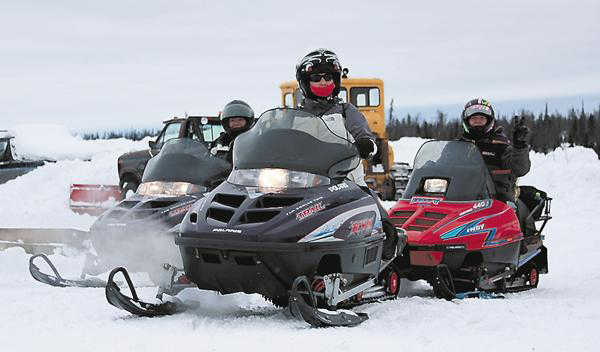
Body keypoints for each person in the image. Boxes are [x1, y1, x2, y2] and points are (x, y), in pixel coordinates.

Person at [295, 48, 398, 259]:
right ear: (306, 82)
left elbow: (364, 133)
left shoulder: (346, 111)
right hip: (304, 182)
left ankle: (387, 252)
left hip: (346, 181)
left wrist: (366, 145)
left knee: (378, 215)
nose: (323, 82)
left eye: (328, 77)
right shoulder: (295, 115)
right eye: (316, 78)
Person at [460, 98, 534, 234]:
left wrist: (520, 146)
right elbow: (442, 164)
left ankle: (513, 247)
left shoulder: (500, 145)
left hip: (496, 198)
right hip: (461, 196)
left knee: (508, 218)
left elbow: (520, 168)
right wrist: (428, 167)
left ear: (489, 121)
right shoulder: (458, 145)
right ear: (467, 121)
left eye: (481, 118)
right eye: (474, 118)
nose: (477, 122)